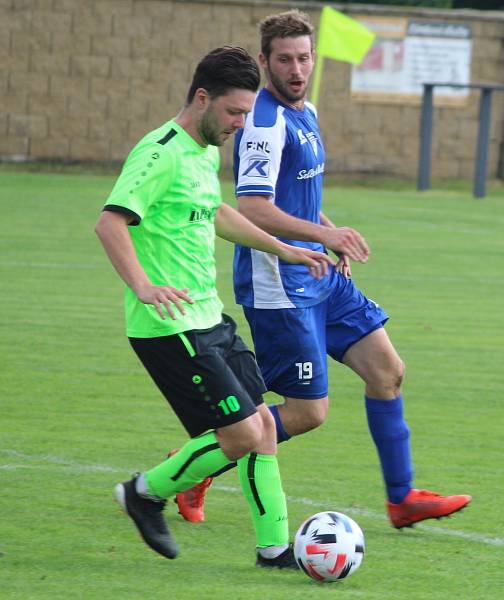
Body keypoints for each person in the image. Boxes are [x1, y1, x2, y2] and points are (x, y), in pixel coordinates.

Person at [174, 10, 471, 529]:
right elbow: (253, 208)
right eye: (285, 59)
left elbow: (300, 197)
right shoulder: (262, 123)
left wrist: (327, 233)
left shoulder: (305, 110)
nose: (297, 69)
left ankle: (401, 499)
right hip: (280, 281)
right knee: (308, 411)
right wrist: (324, 236)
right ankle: (203, 467)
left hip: (318, 272)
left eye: (305, 58)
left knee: (388, 372)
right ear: (264, 61)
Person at [95, 46, 333, 568]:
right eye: (234, 112)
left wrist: (287, 247)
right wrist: (142, 285)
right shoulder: (159, 152)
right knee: (244, 432)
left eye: (247, 113)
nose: (241, 123)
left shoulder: (205, 151)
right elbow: (110, 222)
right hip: (168, 325)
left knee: (265, 428)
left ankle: (274, 549)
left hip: (209, 316)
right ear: (202, 98)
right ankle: (144, 492)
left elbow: (217, 212)